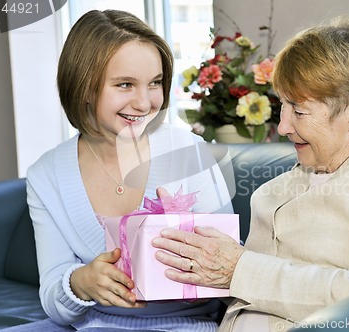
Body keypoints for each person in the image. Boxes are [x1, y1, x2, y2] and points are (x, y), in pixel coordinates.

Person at [151, 15, 349, 331]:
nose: (283, 127)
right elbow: (250, 288)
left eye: (299, 111)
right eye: (283, 106)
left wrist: (237, 270)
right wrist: (194, 263)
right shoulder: (277, 190)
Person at [20, 9, 233, 332]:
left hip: (186, 325)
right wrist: (80, 282)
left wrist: (201, 269)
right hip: (93, 326)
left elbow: (234, 272)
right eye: (125, 85)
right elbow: (52, 297)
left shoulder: (188, 152)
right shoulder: (45, 175)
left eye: (155, 83)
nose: (145, 103)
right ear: (85, 87)